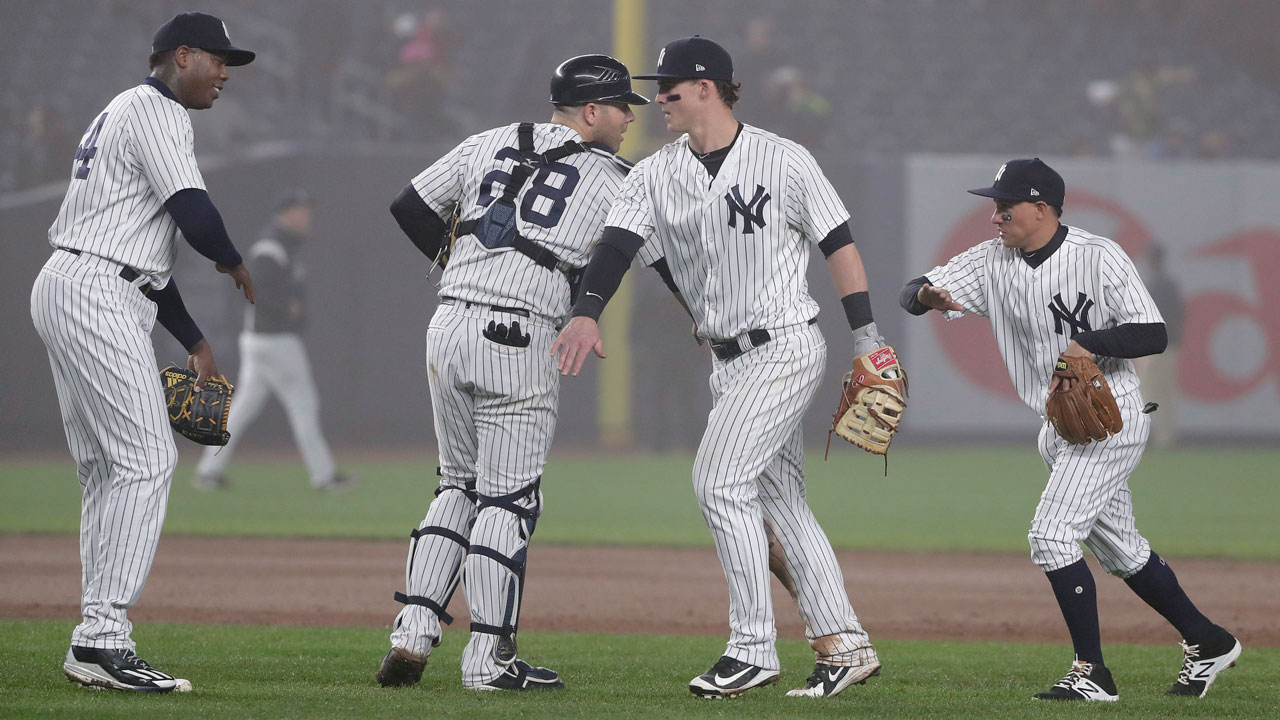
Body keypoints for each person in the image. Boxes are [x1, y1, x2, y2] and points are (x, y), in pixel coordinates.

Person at [552, 36, 888, 699]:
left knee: (718, 480)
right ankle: (846, 646)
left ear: (707, 88)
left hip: (786, 345)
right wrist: (587, 309)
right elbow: (617, 249)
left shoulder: (785, 160)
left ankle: (751, 650)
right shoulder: (654, 172)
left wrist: (868, 339)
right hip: (728, 361)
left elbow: (839, 247)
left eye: (669, 89)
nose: (658, 100)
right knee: (784, 507)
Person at [899, 158, 1240, 701]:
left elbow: (1153, 333)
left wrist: (1092, 343)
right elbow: (914, 290)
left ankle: (1092, 673)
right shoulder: (992, 259)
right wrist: (925, 297)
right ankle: (1208, 640)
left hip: (1113, 417)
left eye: (1004, 205)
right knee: (1123, 552)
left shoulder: (1099, 256)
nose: (994, 216)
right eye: (993, 204)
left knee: (1051, 535)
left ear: (1041, 207)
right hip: (1058, 425)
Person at [374, 54, 648, 691]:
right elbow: (618, 249)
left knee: (456, 486)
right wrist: (583, 305)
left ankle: (413, 636)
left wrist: (462, 261)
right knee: (508, 498)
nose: (628, 120)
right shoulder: (612, 177)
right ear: (590, 111)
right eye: (620, 108)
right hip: (519, 332)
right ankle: (487, 660)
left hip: (448, 324)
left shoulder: (485, 140)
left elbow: (407, 205)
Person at [29, 12, 255, 692]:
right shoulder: (157, 110)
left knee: (106, 468)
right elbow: (193, 210)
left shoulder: (122, 111)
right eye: (217, 59)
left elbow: (144, 260)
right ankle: (102, 640)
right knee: (147, 458)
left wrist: (194, 341)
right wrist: (232, 260)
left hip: (82, 281)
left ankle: (95, 635)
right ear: (181, 55)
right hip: (96, 288)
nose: (224, 73)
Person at [193, 190, 355, 491]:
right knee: (303, 404)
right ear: (284, 214)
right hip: (275, 339)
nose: (307, 215)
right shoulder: (270, 247)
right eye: (300, 210)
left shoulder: (282, 246)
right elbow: (254, 289)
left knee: (243, 408)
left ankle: (208, 471)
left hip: (260, 340)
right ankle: (324, 476)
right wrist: (286, 306)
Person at [1135, 243, 1184, 448]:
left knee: (1151, 390)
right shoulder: (1167, 285)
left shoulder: (1156, 286)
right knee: (1164, 390)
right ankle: (1166, 435)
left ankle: (1158, 435)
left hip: (1155, 345)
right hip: (1168, 344)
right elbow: (1180, 315)